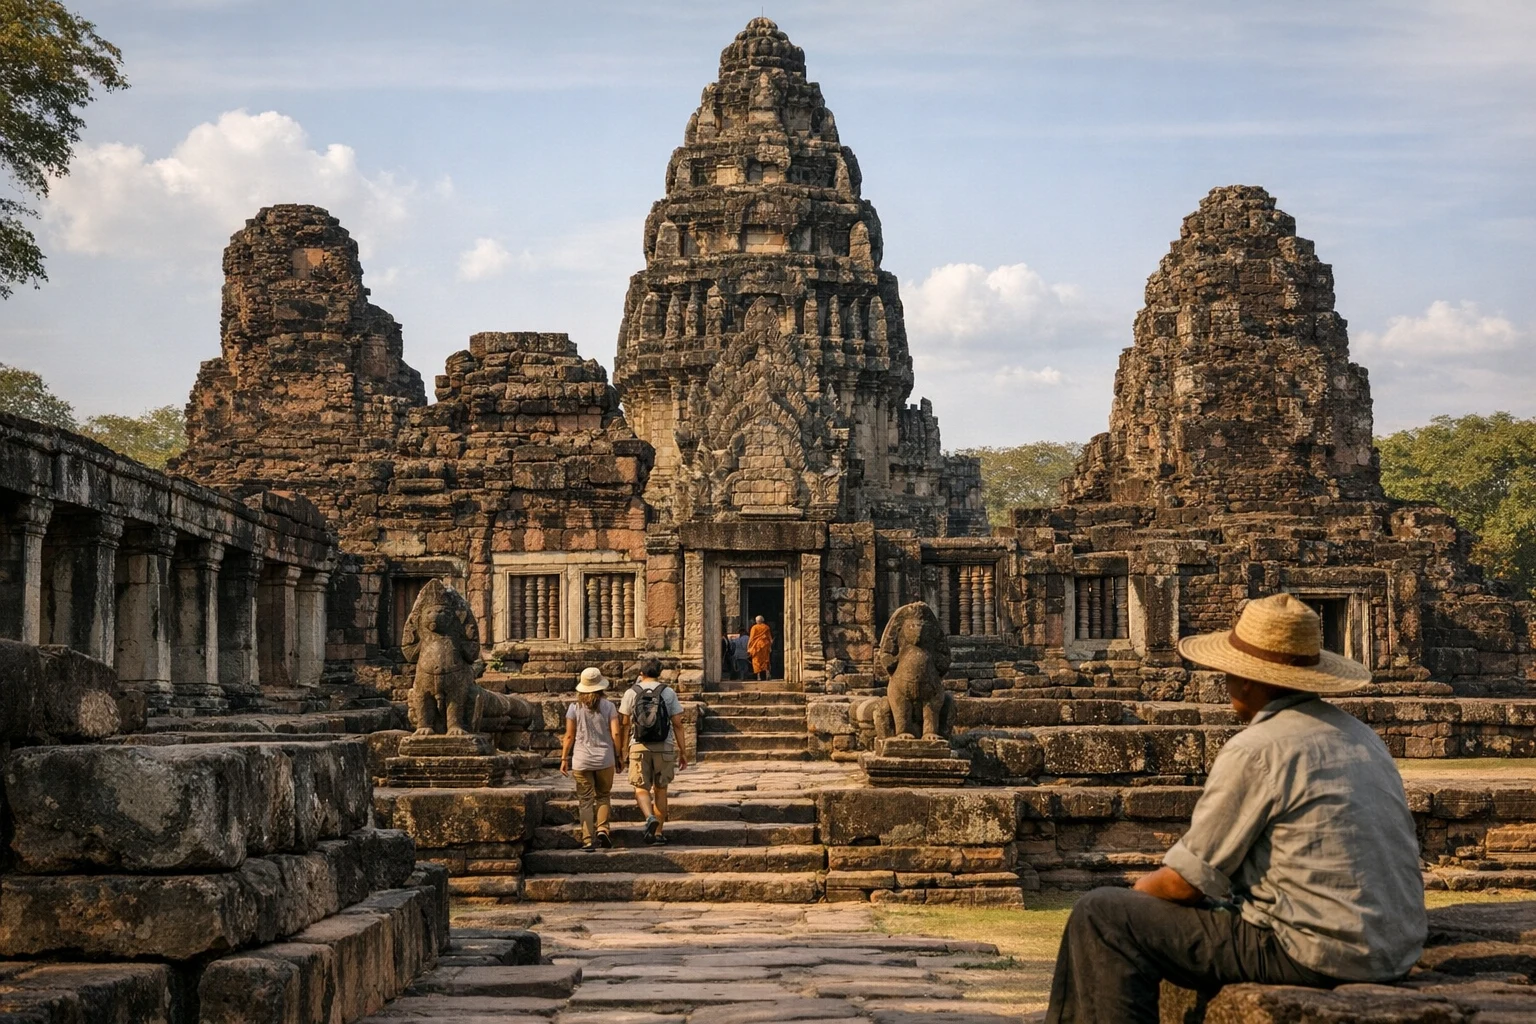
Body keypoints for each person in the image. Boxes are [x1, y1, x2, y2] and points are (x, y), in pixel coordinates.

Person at [1045, 593, 1427, 1024]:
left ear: (1247, 681)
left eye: (1229, 671)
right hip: (1393, 948)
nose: (1224, 679)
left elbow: (1185, 884)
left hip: (1311, 950)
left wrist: (1136, 898)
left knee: (1102, 916)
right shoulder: (1363, 737)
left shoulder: (1257, 749)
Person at [618, 658, 689, 844]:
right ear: (660, 673)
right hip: (664, 745)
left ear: (641, 673)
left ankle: (649, 816)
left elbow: (625, 724)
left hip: (638, 745)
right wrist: (683, 751)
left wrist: (623, 750)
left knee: (640, 787)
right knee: (661, 789)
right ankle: (658, 832)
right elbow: (678, 724)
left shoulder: (631, 692)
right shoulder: (668, 692)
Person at [559, 667, 623, 853]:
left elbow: (569, 736)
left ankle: (588, 839)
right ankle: (603, 828)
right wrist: (619, 756)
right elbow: (616, 732)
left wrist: (564, 758)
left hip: (581, 760)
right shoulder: (609, 706)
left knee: (585, 800)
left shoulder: (574, 708)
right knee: (603, 795)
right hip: (604, 758)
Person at [747, 615, 774, 681]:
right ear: (763, 620)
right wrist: (770, 646)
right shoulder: (766, 627)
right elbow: (770, 638)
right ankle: (767, 673)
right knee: (766, 659)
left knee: (756, 660)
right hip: (765, 645)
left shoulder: (754, 627)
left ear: (756, 621)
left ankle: (758, 676)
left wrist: (748, 646)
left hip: (757, 645)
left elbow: (751, 638)